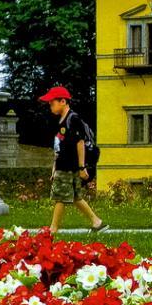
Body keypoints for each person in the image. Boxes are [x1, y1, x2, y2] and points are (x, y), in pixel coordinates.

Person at [39, 86, 108, 235]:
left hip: (70, 167)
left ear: (63, 101)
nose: (50, 106)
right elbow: (60, 147)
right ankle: (97, 222)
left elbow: (80, 143)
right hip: (64, 165)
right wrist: (54, 168)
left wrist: (82, 167)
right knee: (76, 197)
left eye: (52, 103)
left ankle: (53, 229)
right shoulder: (62, 122)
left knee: (60, 197)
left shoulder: (73, 119)